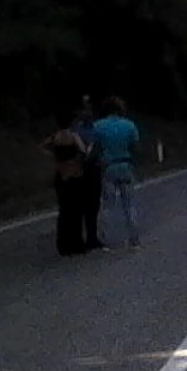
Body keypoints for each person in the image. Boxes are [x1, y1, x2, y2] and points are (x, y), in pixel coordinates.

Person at [92, 97, 142, 249]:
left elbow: (95, 147)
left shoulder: (98, 126)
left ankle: (104, 240)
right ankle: (134, 239)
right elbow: (134, 144)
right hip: (125, 164)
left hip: (108, 166)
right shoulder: (129, 125)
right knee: (129, 205)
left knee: (107, 205)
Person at [40, 118, 91, 256]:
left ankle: (63, 245)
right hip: (74, 175)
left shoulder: (55, 137)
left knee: (64, 211)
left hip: (61, 175)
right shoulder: (73, 136)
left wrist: (54, 158)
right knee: (77, 210)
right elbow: (83, 151)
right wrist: (75, 162)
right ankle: (77, 243)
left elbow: (42, 146)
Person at [71, 99, 104, 251]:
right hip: (81, 168)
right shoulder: (76, 129)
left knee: (94, 204)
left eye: (89, 110)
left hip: (94, 167)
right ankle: (80, 238)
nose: (87, 113)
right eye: (84, 110)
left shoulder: (96, 128)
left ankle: (92, 237)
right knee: (82, 204)